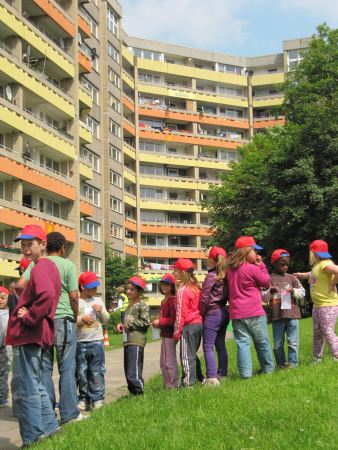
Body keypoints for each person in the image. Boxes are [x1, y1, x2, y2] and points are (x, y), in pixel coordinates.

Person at [6, 224, 61, 447]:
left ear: (43, 244)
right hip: (35, 335)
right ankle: (49, 429)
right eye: (23, 245)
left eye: (31, 244)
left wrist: (29, 317)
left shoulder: (40, 267)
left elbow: (46, 296)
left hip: (30, 334)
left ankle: (32, 437)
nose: (26, 249)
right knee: (36, 384)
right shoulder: (45, 266)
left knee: (24, 387)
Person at [22, 232, 81, 423]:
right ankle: (69, 414)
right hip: (63, 319)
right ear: (63, 247)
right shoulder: (68, 265)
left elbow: (21, 285)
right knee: (67, 369)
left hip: (43, 321)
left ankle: (47, 414)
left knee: (45, 369)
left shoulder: (37, 263)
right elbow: (74, 295)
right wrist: (74, 315)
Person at [226, 236, 274, 379]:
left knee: (242, 344)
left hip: (236, 314)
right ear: (247, 251)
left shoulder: (230, 270)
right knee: (262, 342)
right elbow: (266, 282)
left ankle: (245, 375)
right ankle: (268, 370)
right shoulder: (252, 268)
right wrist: (262, 266)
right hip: (254, 312)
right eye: (254, 250)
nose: (257, 254)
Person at [294, 240, 338, 362]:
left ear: (314, 252)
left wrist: (333, 283)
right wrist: (301, 275)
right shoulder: (317, 265)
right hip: (318, 305)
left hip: (328, 304)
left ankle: (336, 354)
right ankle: (317, 357)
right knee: (317, 332)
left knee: (327, 330)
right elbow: (312, 274)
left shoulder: (325, 263)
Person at [263, 249, 305, 369]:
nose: (285, 266)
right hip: (277, 316)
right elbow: (264, 297)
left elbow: (302, 292)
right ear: (274, 263)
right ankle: (282, 365)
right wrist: (270, 291)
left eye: (287, 264)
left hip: (292, 315)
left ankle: (293, 365)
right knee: (277, 344)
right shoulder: (269, 279)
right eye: (282, 264)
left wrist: (293, 291)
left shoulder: (292, 278)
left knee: (293, 342)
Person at [76, 272, 110, 410]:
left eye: (96, 287)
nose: (95, 290)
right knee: (81, 372)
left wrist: (101, 311)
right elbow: (71, 321)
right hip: (80, 341)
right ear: (82, 286)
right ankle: (84, 398)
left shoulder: (98, 301)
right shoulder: (76, 302)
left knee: (96, 370)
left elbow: (106, 319)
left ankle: (97, 398)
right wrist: (80, 319)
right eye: (92, 287)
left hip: (96, 341)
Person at [200, 247, 229, 386]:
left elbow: (204, 297)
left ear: (211, 260)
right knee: (220, 345)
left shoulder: (211, 276)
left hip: (212, 313)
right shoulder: (226, 275)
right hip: (224, 311)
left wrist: (202, 312)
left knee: (208, 346)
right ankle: (222, 374)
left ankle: (211, 377)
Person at [117, 276, 150, 395]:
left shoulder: (142, 305)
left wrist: (129, 323)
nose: (128, 291)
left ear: (139, 291)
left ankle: (139, 392)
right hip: (127, 341)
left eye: (132, 289)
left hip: (136, 341)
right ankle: (133, 393)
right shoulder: (129, 305)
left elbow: (146, 322)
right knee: (128, 369)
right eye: (127, 289)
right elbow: (127, 322)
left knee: (133, 370)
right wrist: (122, 325)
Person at [173, 258, 204, 386]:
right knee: (192, 354)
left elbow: (181, 313)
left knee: (186, 356)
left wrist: (177, 332)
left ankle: (188, 383)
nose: (173, 273)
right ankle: (199, 378)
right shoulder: (196, 288)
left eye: (175, 271)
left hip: (188, 326)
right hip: (199, 324)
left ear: (182, 272)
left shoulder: (182, 290)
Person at [152, 274, 179, 389]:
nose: (163, 286)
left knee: (168, 360)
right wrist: (157, 322)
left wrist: (160, 322)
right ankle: (167, 383)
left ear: (172, 286)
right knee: (163, 361)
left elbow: (174, 319)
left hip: (170, 334)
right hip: (164, 333)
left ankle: (172, 385)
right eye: (162, 284)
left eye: (167, 284)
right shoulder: (164, 301)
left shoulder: (173, 300)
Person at [0, 287, 10, 408]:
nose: (0, 300)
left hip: (6, 346)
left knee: (3, 371)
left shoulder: (10, 313)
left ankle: (2, 396)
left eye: (3, 298)